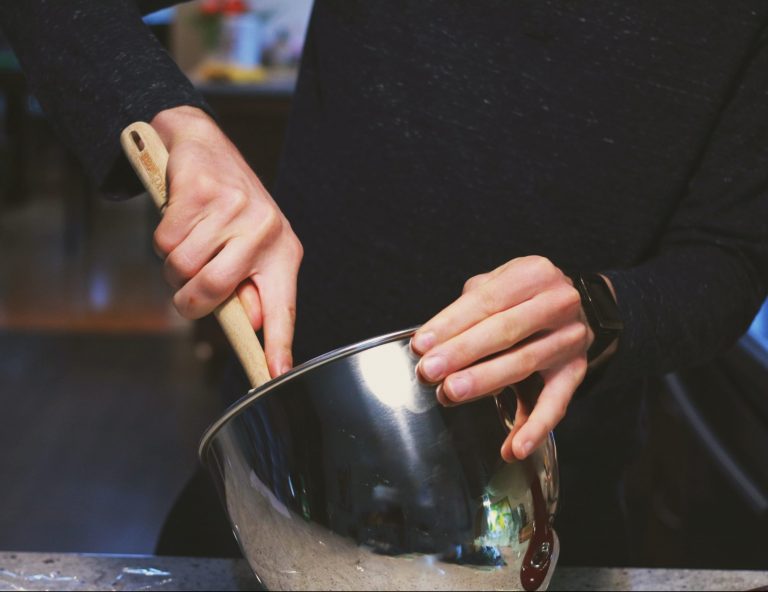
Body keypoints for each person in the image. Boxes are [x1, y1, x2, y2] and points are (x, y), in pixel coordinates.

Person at [3, 1, 768, 566]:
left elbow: (731, 255)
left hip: (544, 525)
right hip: (279, 499)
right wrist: (174, 121)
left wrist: (603, 310)